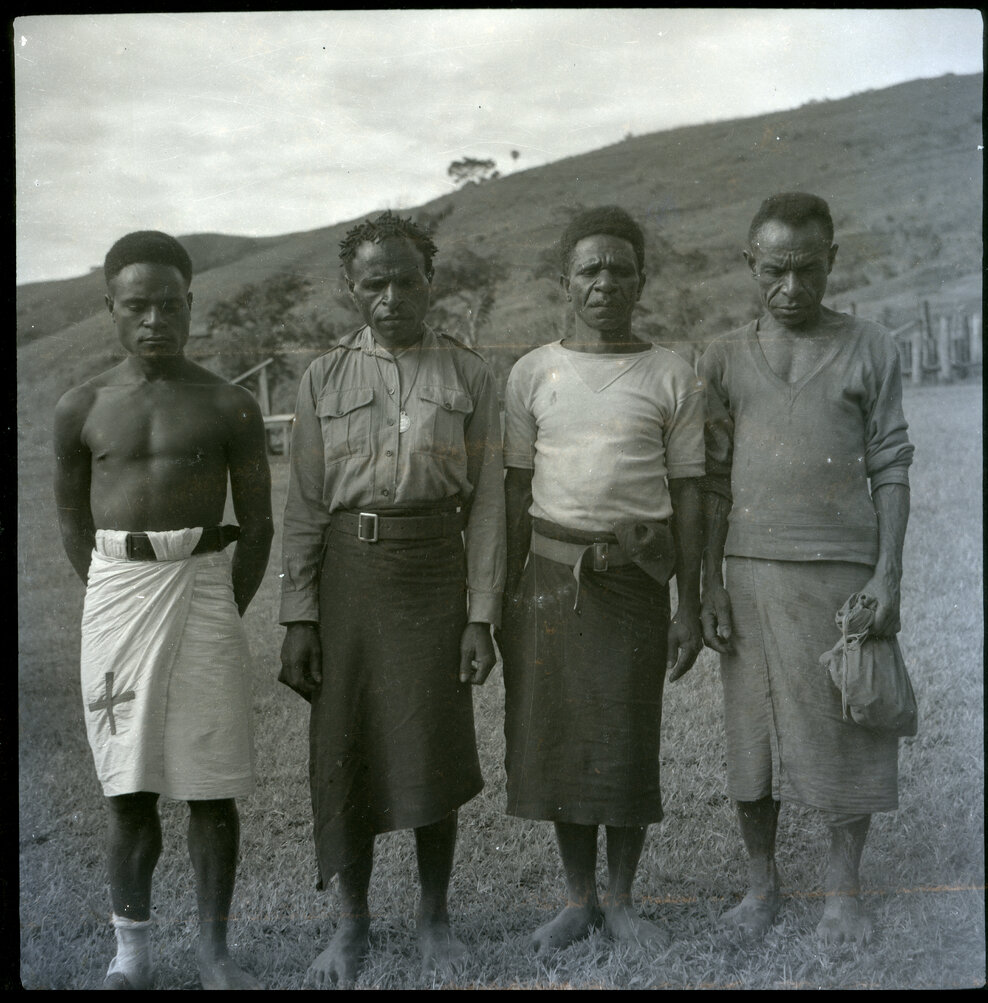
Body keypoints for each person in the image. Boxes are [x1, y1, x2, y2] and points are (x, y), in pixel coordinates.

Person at [278, 211, 505, 987]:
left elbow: (488, 506)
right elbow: (306, 505)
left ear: (430, 280)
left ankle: (435, 918)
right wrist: (298, 615)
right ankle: (351, 924)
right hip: (350, 576)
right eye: (374, 282)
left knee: (431, 742)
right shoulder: (321, 377)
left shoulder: (471, 375)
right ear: (352, 288)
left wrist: (480, 615)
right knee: (348, 746)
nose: (391, 295)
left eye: (406, 279)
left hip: (434, 570)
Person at [53, 231, 273, 989]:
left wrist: (222, 604)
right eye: (137, 305)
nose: (155, 320)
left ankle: (215, 956)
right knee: (129, 786)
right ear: (110, 307)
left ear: (191, 304)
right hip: (117, 594)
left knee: (211, 786)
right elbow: (73, 522)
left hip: (206, 586)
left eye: (169, 304)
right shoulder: (81, 406)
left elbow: (261, 525)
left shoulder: (229, 403)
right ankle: (132, 957)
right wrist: (109, 592)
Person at [698, 192, 915, 944]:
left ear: (833, 261)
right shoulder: (721, 357)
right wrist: (706, 582)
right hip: (748, 576)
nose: (791, 289)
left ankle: (843, 892)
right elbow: (713, 481)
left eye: (808, 271)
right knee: (751, 738)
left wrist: (887, 574)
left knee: (845, 728)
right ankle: (761, 888)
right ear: (750, 264)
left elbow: (890, 464)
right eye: (775, 272)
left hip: (842, 575)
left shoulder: (872, 347)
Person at [500, 206, 705, 952]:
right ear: (566, 281)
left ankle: (622, 899)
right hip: (552, 579)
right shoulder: (531, 372)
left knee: (623, 737)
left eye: (620, 268)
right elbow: (515, 495)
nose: (605, 282)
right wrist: (501, 599)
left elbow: (688, 497)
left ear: (642, 279)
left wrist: (690, 605)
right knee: (560, 738)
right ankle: (578, 898)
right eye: (589, 269)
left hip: (634, 581)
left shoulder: (671, 372)